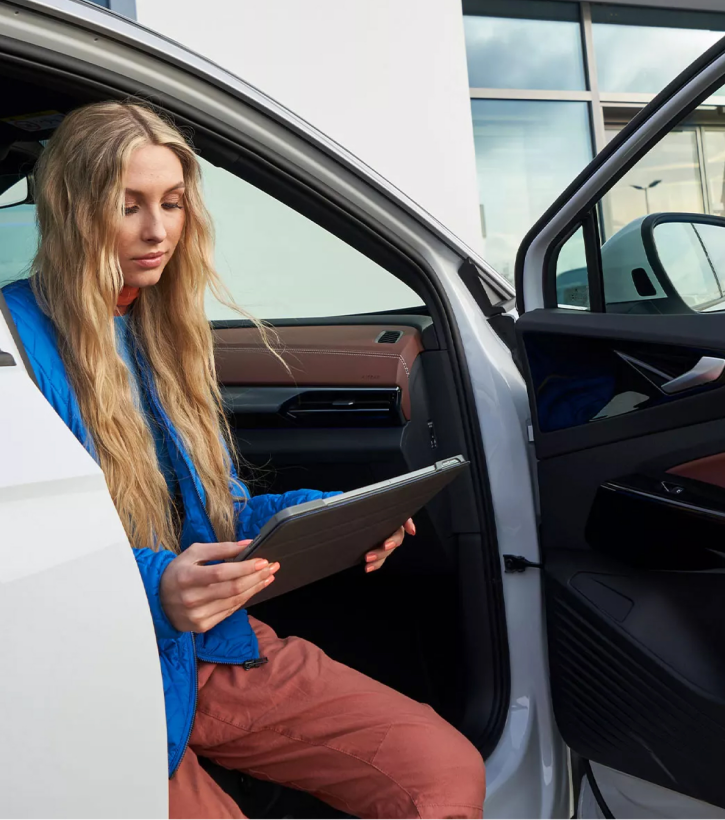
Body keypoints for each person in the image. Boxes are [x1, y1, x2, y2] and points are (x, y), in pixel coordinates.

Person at [3, 101, 485, 820]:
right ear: (73, 207)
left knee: (441, 774)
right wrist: (156, 584)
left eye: (172, 203)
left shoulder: (159, 334)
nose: (158, 230)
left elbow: (218, 514)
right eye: (128, 204)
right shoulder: (10, 340)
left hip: (213, 647)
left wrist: (331, 517)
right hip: (92, 673)